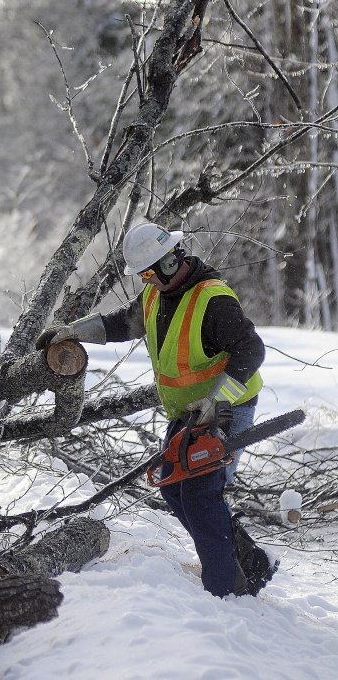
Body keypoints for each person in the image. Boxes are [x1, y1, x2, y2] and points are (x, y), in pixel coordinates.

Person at [37, 222, 277, 598]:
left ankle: (226, 587)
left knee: (200, 492)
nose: (151, 280)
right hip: (188, 411)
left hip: (228, 404)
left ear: (174, 258)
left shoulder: (212, 300)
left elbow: (252, 350)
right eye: (144, 274)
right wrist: (74, 332)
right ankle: (247, 560)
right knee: (173, 487)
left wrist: (217, 398)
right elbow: (121, 323)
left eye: (155, 271)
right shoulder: (153, 297)